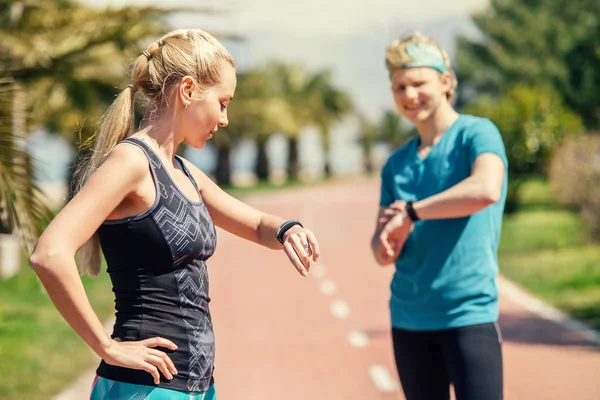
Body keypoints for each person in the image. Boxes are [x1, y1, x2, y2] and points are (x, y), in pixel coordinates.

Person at [29, 29, 319, 400]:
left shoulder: (183, 171)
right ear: (187, 91)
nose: (225, 118)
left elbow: (258, 225)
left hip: (195, 386)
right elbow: (49, 253)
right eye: (223, 102)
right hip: (145, 388)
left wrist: (288, 229)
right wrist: (107, 346)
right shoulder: (131, 162)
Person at [371, 31, 507, 400]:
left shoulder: (477, 134)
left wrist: (414, 212)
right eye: (399, 87)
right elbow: (380, 244)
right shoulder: (396, 163)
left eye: (418, 82)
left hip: (468, 314)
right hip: (408, 319)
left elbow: (486, 189)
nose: (409, 95)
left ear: (446, 81)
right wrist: (384, 245)